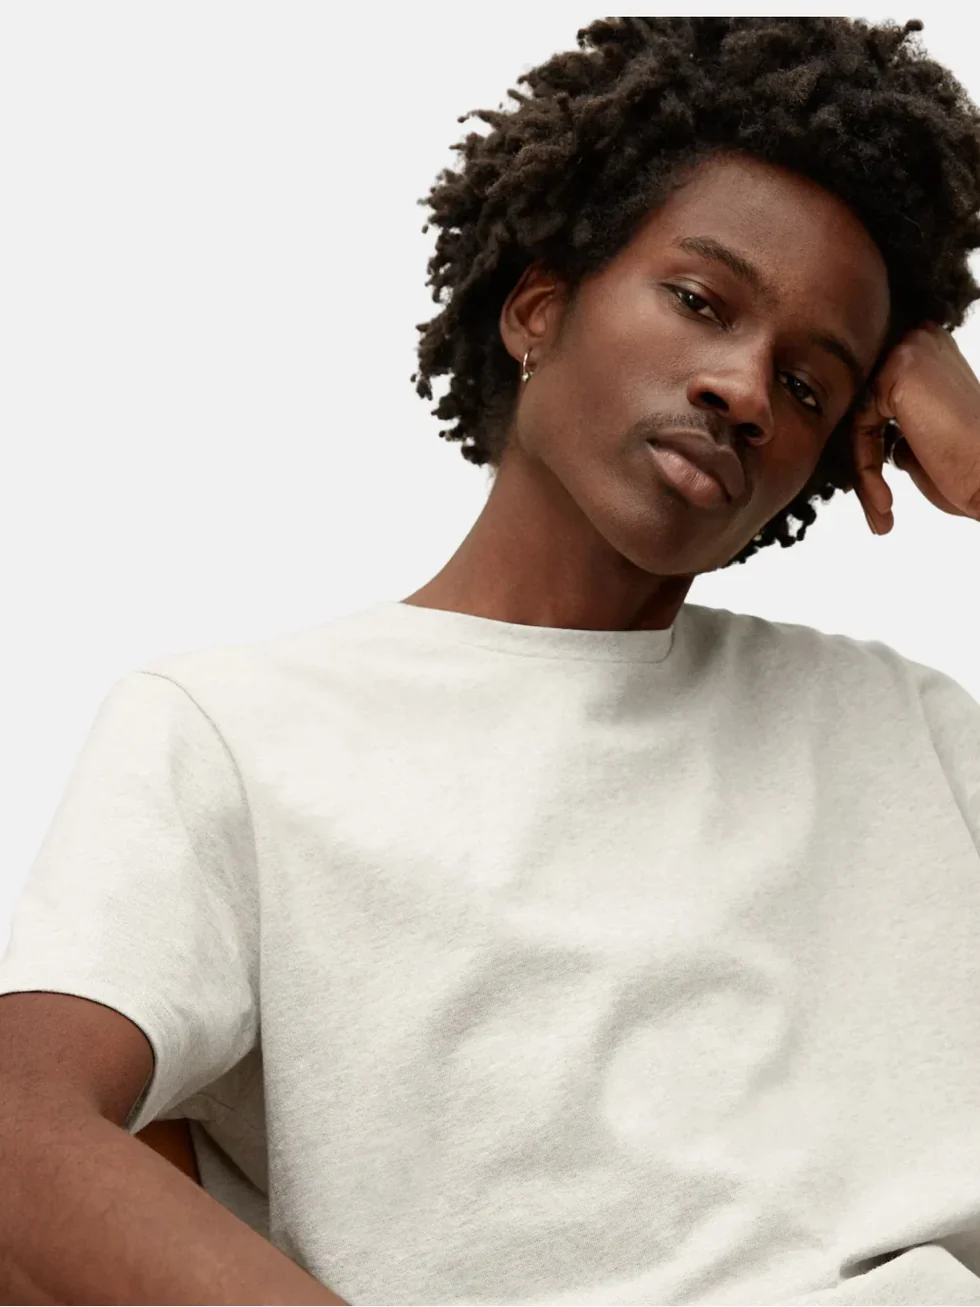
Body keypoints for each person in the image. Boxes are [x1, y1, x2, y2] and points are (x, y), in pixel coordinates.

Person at [2, 16, 980, 1307]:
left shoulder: (907, 726)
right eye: (700, 302)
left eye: (810, 385)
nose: (746, 388)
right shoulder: (233, 732)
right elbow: (19, 1133)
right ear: (537, 307)